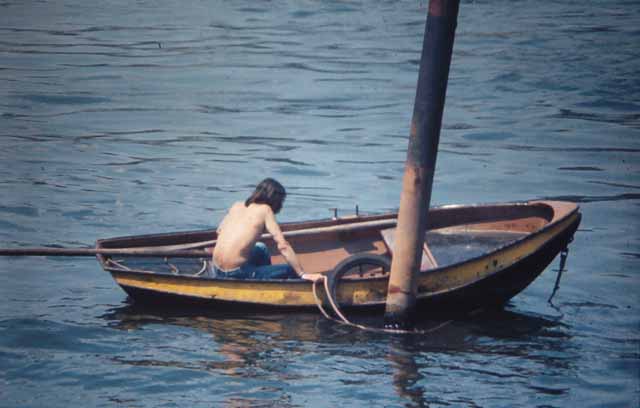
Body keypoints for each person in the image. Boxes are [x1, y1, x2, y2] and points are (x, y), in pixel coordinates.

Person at [211, 178, 321, 281]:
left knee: (261, 248)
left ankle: (262, 278)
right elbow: (283, 246)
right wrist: (302, 273)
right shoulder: (265, 210)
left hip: (216, 268)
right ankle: (264, 282)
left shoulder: (237, 205)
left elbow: (219, 231)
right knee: (291, 270)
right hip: (236, 272)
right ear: (275, 200)